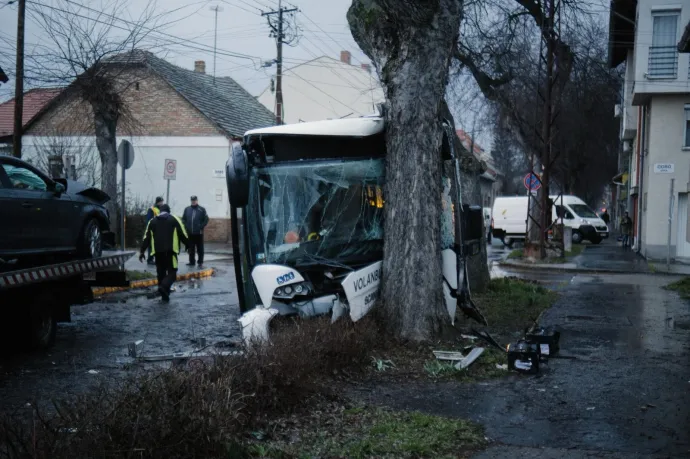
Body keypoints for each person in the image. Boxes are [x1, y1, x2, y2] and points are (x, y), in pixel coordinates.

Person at [139, 204, 189, 302]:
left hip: (157, 253)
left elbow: (146, 238)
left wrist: (142, 251)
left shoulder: (152, 221)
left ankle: (164, 295)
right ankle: (163, 287)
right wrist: (188, 245)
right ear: (169, 211)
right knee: (172, 273)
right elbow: (183, 233)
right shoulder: (174, 219)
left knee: (161, 273)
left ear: (160, 211)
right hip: (171, 252)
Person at [182, 195, 209, 268]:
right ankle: (191, 262)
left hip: (199, 233)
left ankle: (200, 262)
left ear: (197, 200)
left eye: (195, 200)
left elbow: (206, 219)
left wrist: (201, 226)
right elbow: (183, 219)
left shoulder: (202, 209)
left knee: (200, 249)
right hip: (190, 233)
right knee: (191, 248)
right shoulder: (187, 209)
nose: (193, 201)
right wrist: (185, 226)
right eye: (192, 200)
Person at [145, 197, 164, 265]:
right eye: (161, 202)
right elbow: (148, 220)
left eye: (162, 202)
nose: (162, 203)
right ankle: (150, 259)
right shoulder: (152, 209)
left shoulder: (162, 209)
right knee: (151, 245)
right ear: (157, 202)